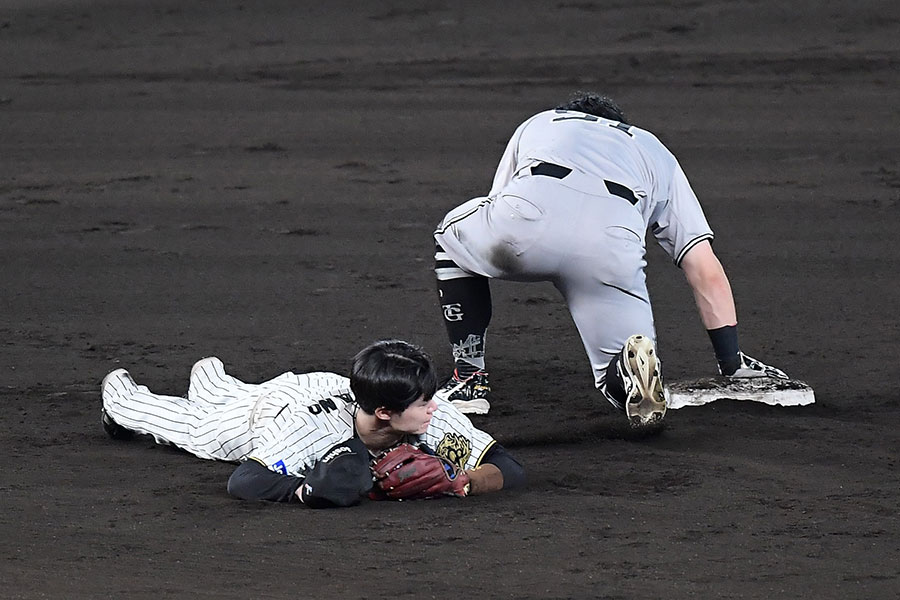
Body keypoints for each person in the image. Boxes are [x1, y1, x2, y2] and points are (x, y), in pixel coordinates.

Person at [432, 91, 788, 425]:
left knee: (453, 242)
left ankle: (469, 381)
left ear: (573, 112)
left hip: (528, 220)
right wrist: (731, 362)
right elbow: (703, 267)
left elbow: (501, 198)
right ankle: (625, 378)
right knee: (619, 372)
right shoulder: (654, 149)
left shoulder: (544, 121)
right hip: (613, 244)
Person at [100, 339, 525, 508]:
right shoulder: (311, 431)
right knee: (199, 427)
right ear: (384, 412)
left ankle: (210, 375)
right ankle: (121, 396)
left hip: (330, 384)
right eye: (423, 401)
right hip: (274, 412)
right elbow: (244, 481)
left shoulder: (429, 413)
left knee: (218, 385)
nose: (436, 407)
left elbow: (507, 467)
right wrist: (305, 491)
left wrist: (463, 481)